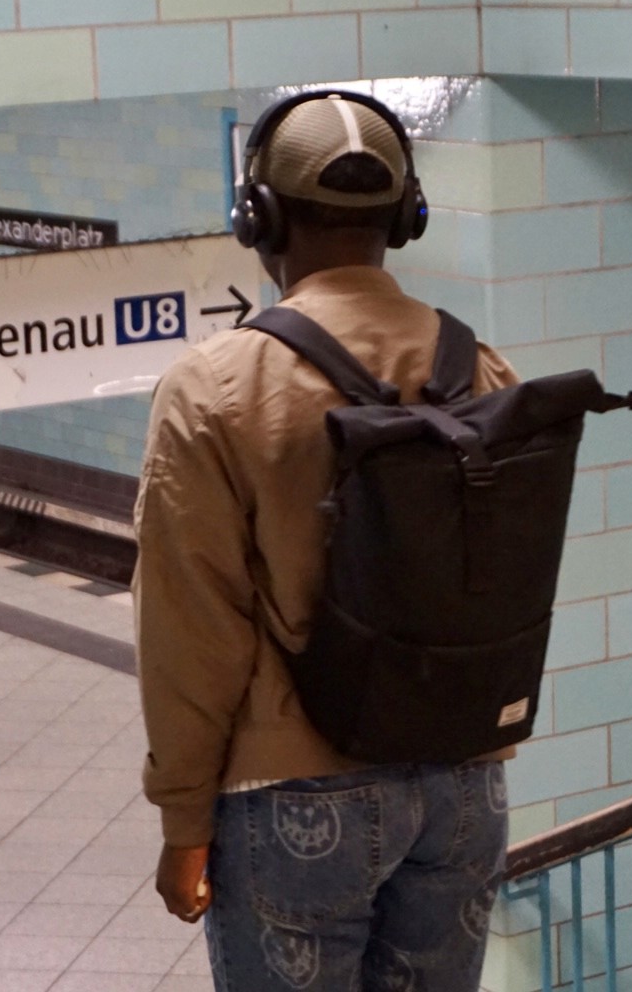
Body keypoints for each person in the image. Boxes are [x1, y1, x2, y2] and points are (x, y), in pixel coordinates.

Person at [133, 90, 518, 991]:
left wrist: (184, 822)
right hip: (465, 789)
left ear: (258, 218)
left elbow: (192, 633)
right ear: (405, 218)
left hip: (296, 795)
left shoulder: (215, 388)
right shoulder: (483, 368)